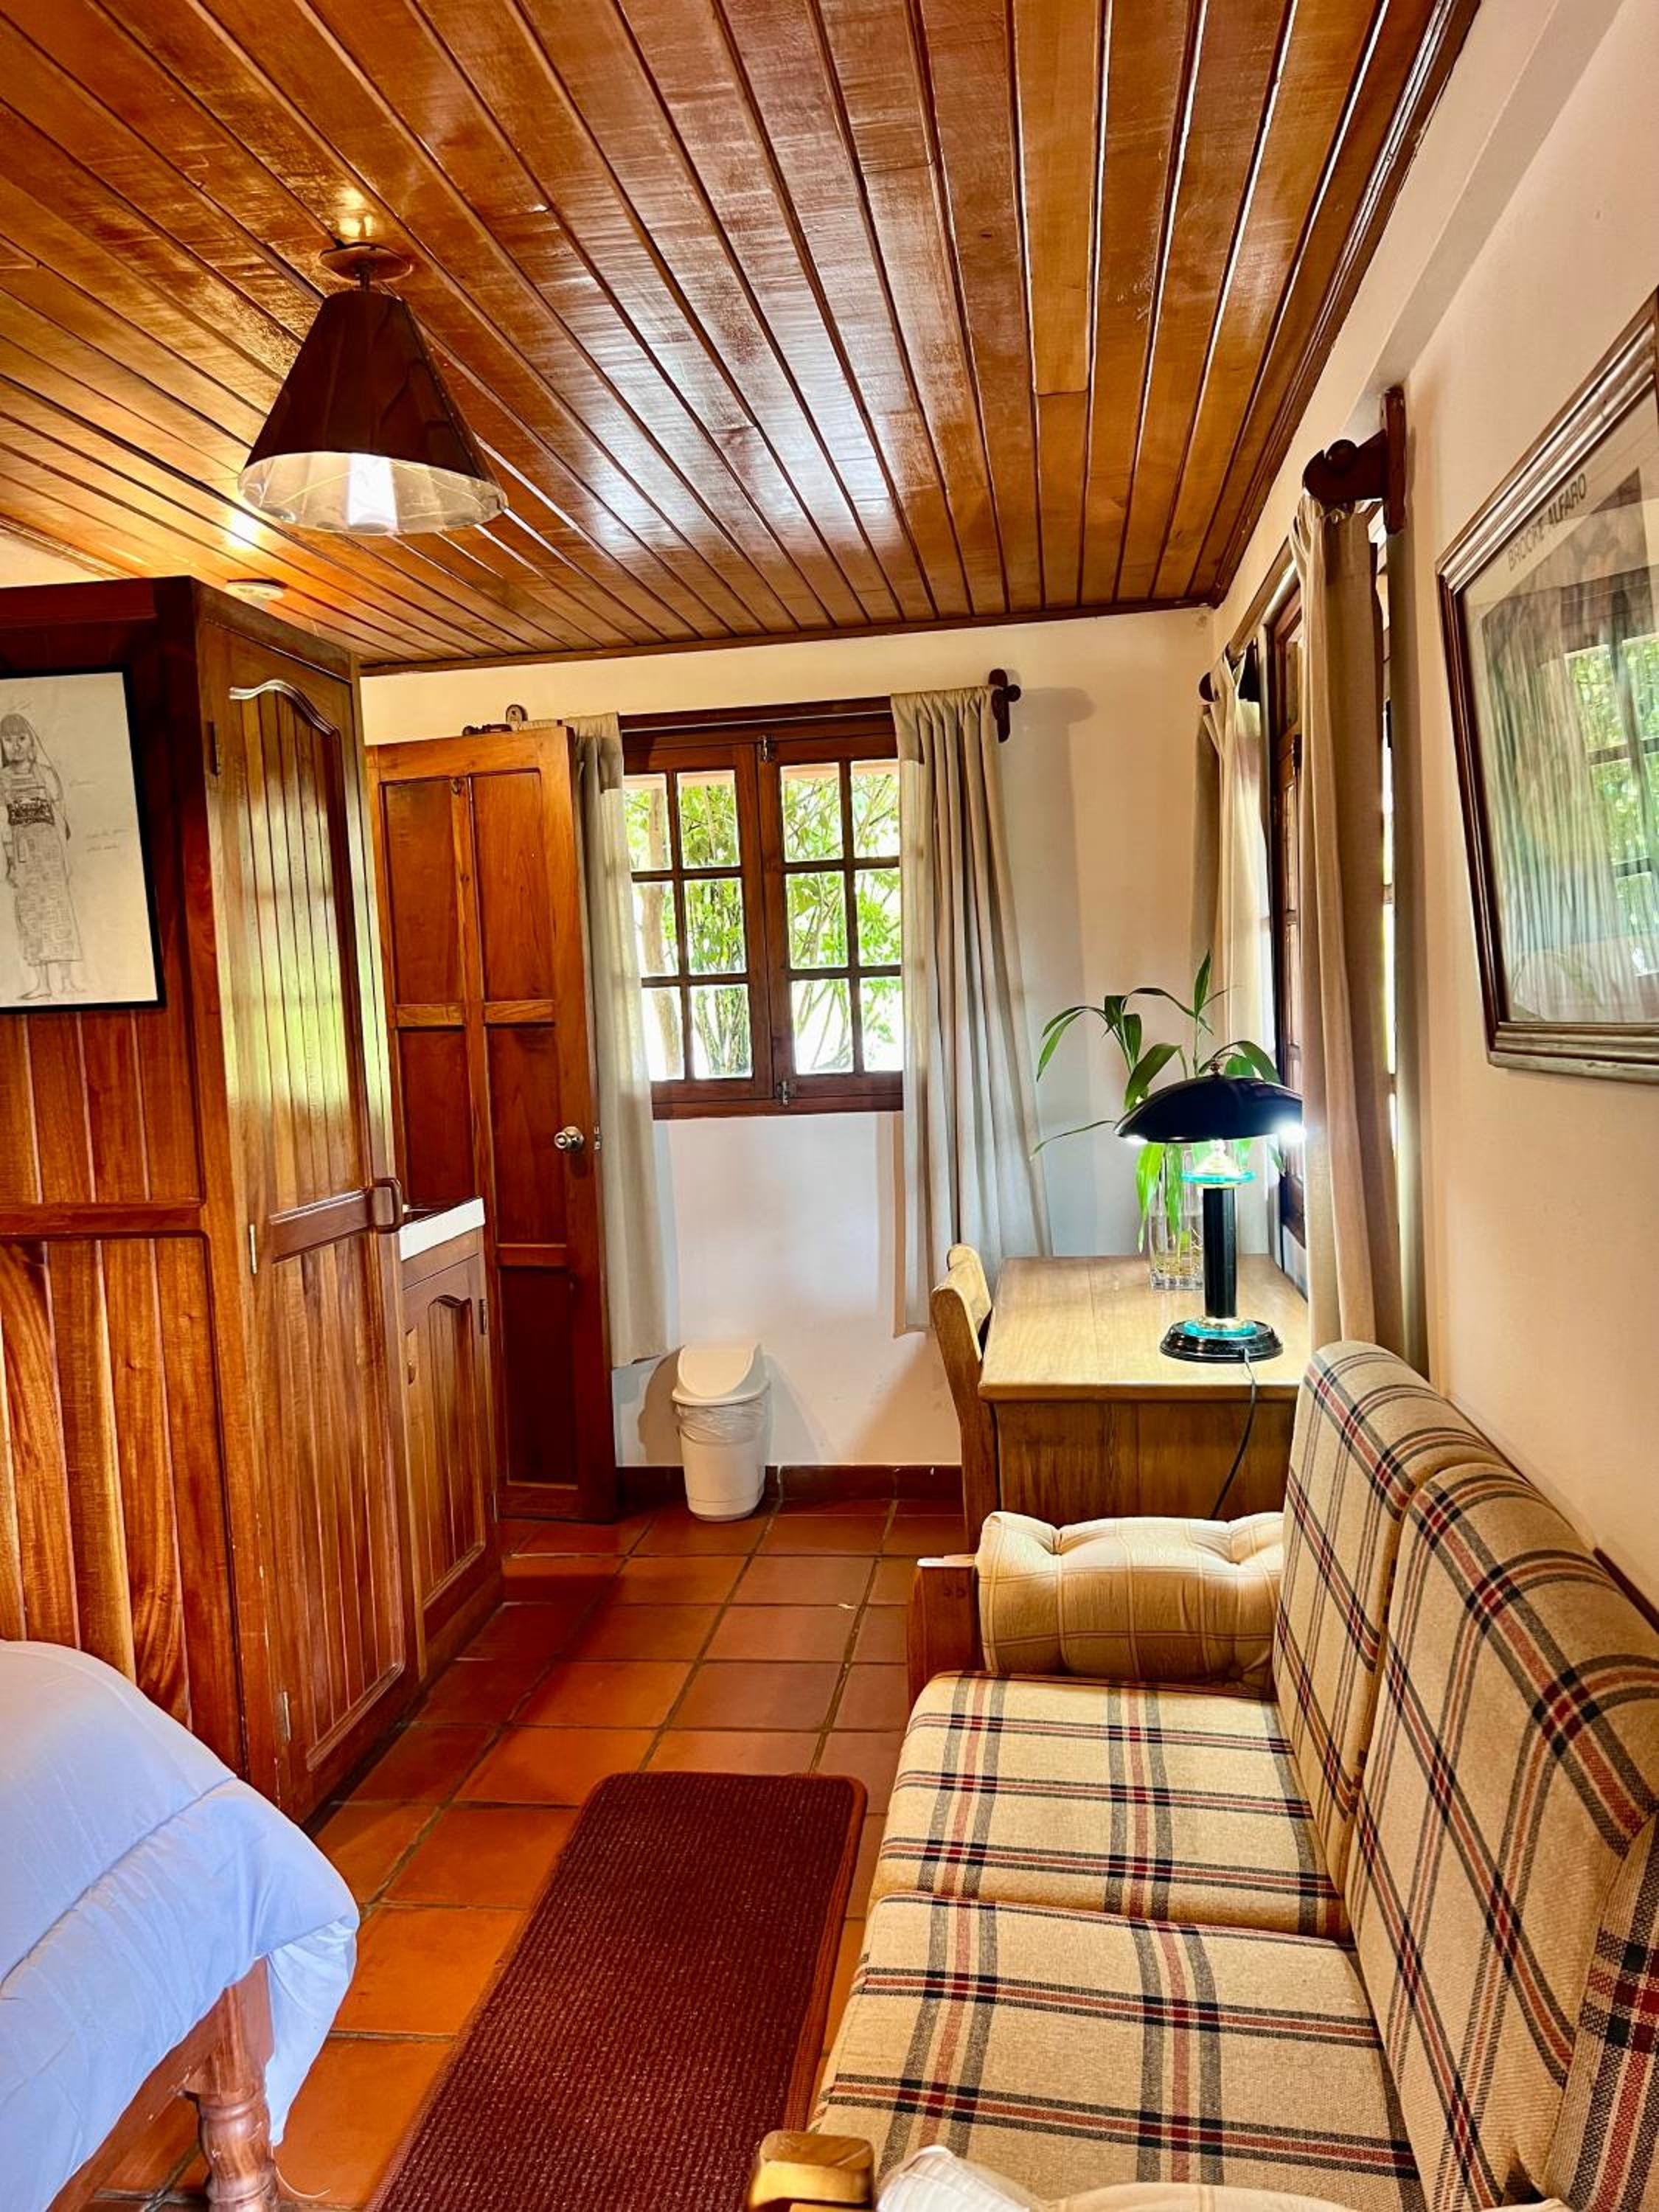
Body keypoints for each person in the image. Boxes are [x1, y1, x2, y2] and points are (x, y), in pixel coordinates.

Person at [1, 711, 81, 998]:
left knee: (58, 911)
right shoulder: (2, 780)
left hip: (50, 852)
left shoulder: (46, 774)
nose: (16, 746)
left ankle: (67, 981)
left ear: (31, 741)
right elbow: (4, 824)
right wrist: (11, 862)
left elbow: (60, 816)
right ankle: (43, 984)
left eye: (21, 738)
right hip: (24, 855)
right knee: (31, 915)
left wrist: (64, 855)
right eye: (8, 740)